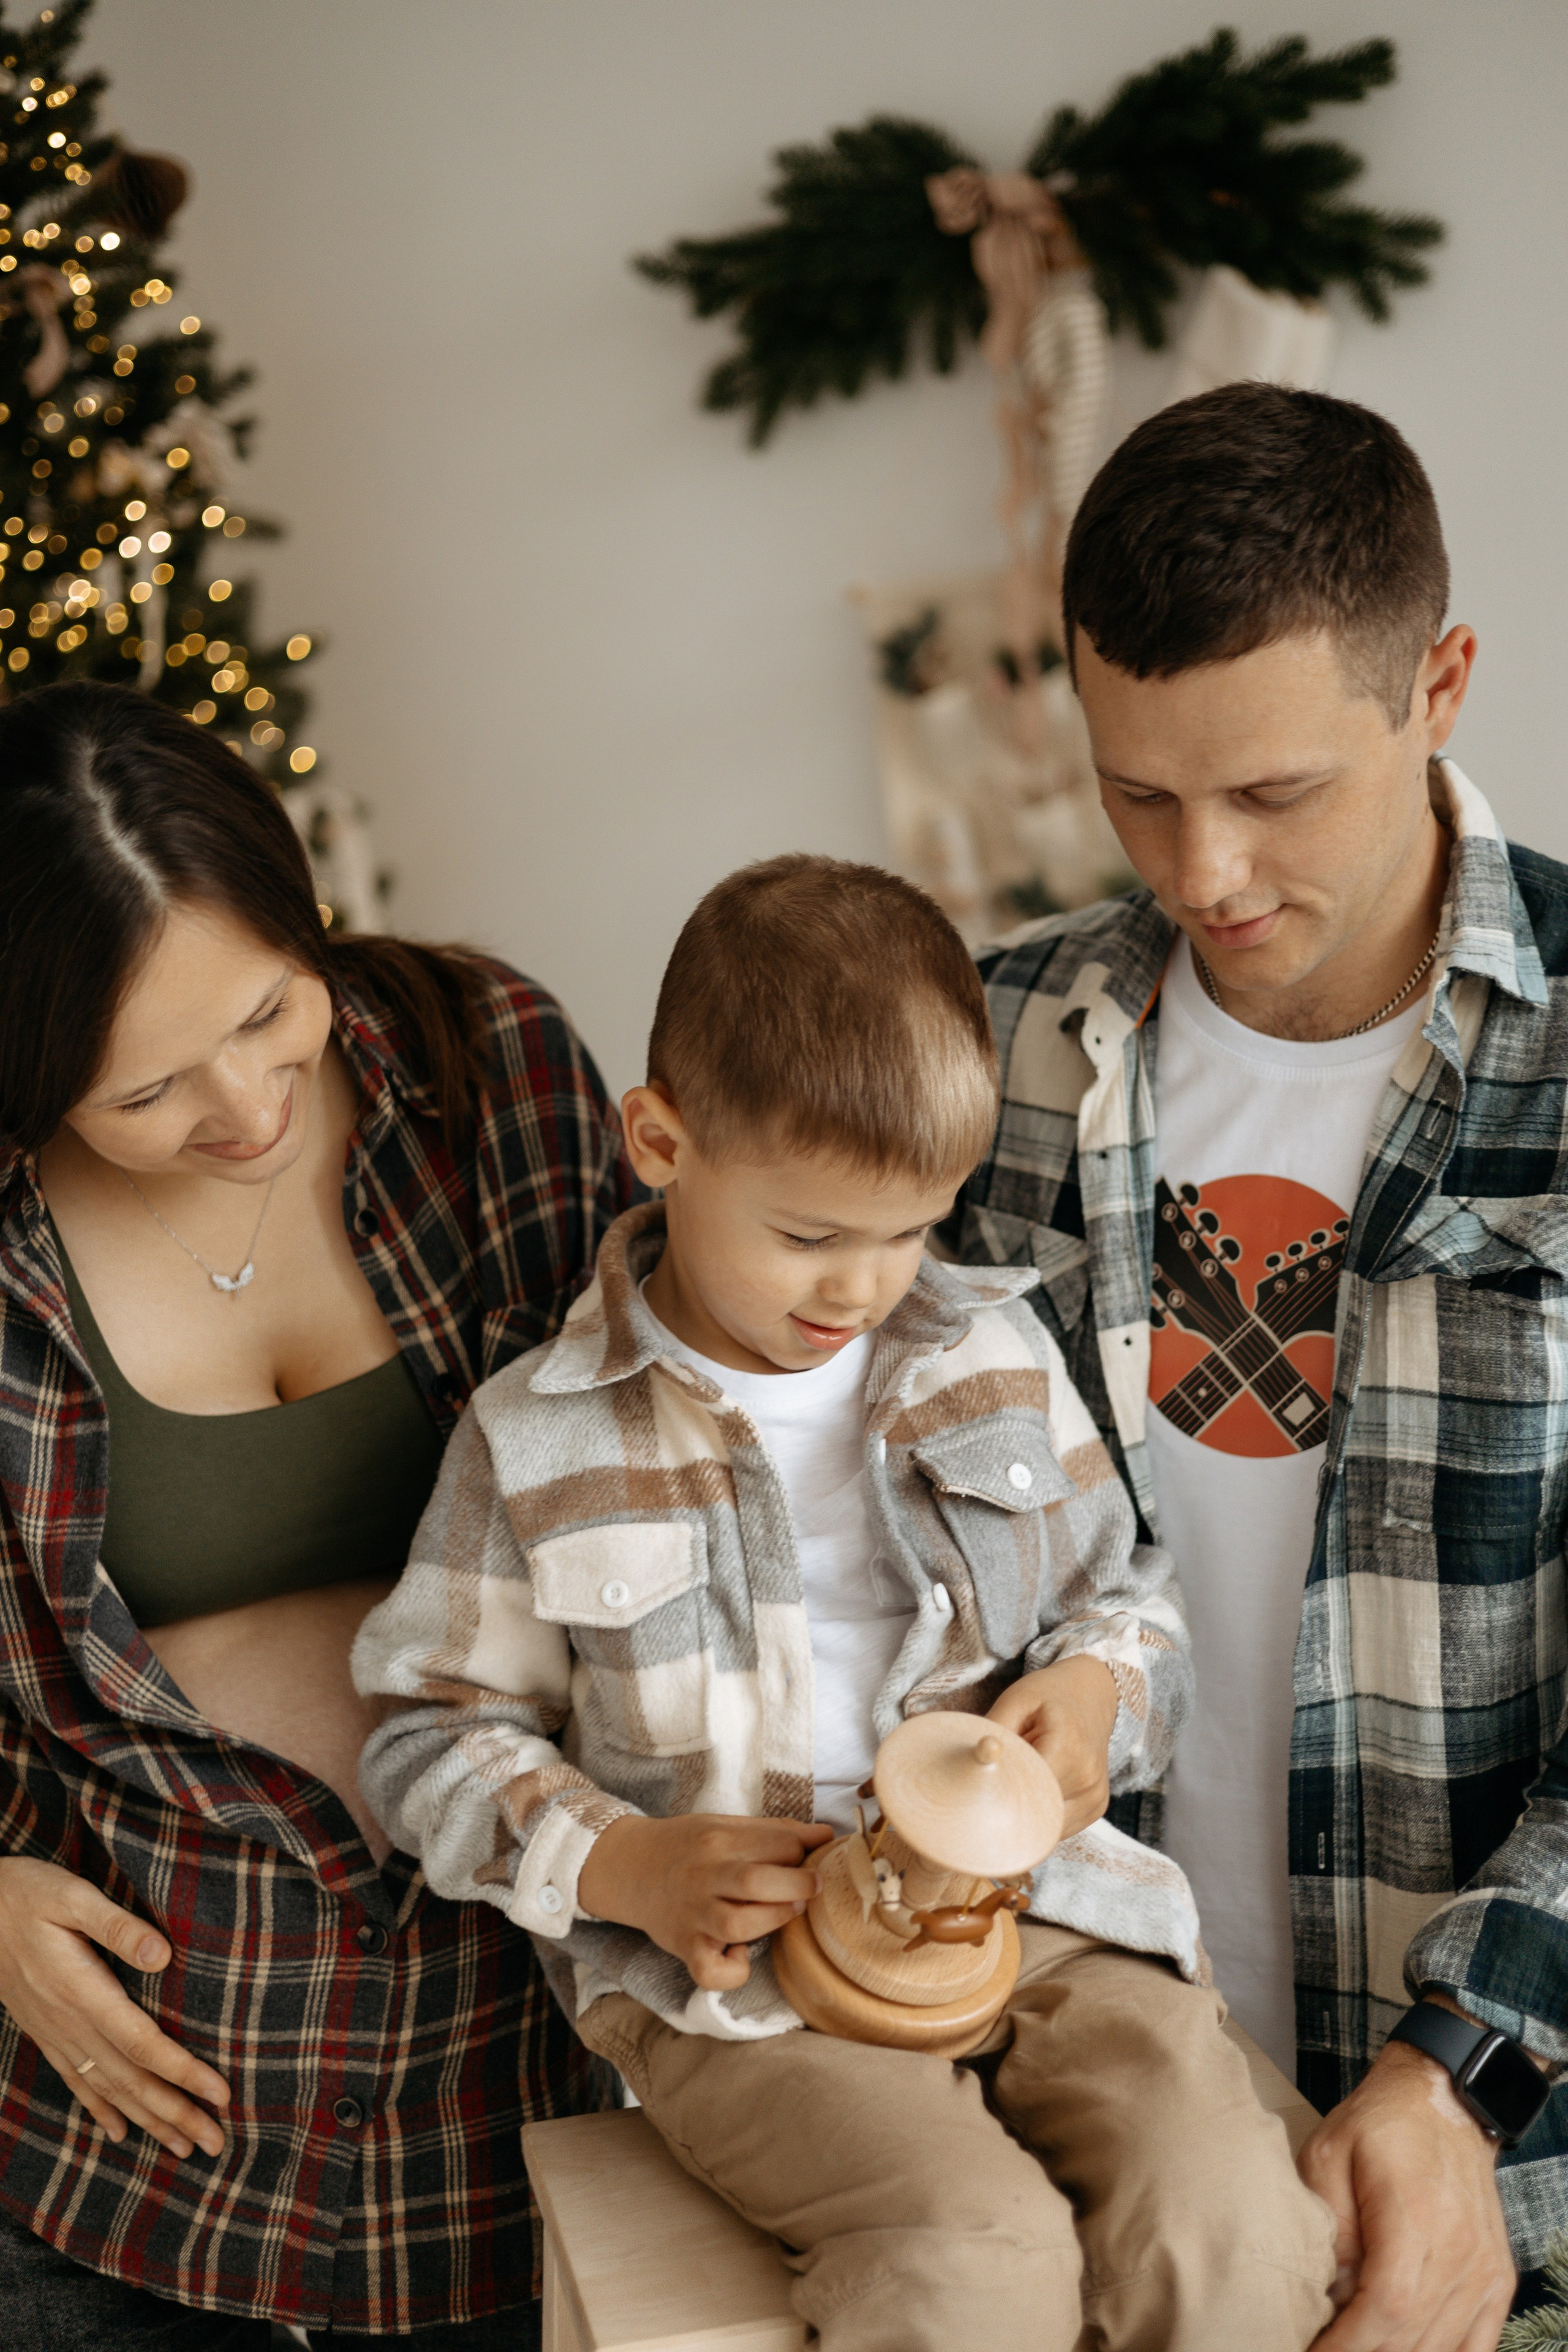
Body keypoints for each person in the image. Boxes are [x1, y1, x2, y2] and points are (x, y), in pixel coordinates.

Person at [353, 853, 1338, 2352]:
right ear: (661, 1141)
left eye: (911, 1228)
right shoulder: (534, 1438)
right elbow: (431, 1730)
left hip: (1036, 1918)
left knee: (1233, 2222)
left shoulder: (986, 1361)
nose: (864, 1286)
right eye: (809, 1235)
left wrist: (1094, 1700)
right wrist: (626, 1865)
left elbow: (1121, 1603)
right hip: (736, 1987)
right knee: (972, 2260)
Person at [948, 382, 1567, 2348]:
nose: (1201, 871)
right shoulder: (990, 1048)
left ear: (1441, 681)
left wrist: (1463, 2066)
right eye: (1139, 790)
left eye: (1275, 793)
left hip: (1510, 2165)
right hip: (1091, 2150)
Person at [0, 682, 635, 2345]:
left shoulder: (485, 1064)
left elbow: (697, 1456)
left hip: (499, 2098)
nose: (244, 1108)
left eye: (267, 1010)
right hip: (120, 2140)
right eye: (144, 1096)